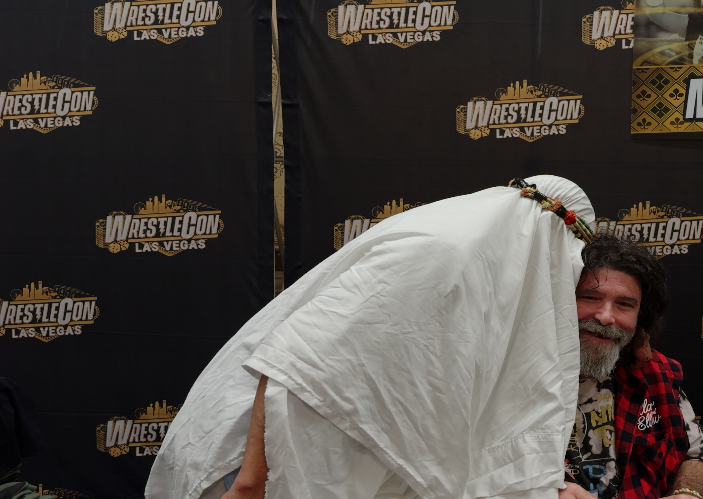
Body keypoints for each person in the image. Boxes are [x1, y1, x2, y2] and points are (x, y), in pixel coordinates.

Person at [147, 176, 598, 499]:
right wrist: (251, 482)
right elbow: (296, 357)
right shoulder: (444, 254)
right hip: (276, 461)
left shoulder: (479, 262)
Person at [558, 235, 703, 499]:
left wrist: (688, 493)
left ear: (640, 315)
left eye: (624, 304)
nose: (606, 317)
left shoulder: (655, 374)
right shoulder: (517, 379)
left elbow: (697, 456)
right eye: (590, 297)